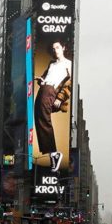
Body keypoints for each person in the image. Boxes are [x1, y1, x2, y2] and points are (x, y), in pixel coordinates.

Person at [34, 41, 72, 172]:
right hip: (44, 89)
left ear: (63, 48)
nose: (55, 50)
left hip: (51, 91)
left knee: (43, 118)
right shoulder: (51, 64)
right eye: (53, 48)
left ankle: (54, 154)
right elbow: (47, 77)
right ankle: (53, 155)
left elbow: (69, 83)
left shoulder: (69, 64)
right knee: (39, 117)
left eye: (57, 47)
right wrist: (42, 81)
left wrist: (60, 98)